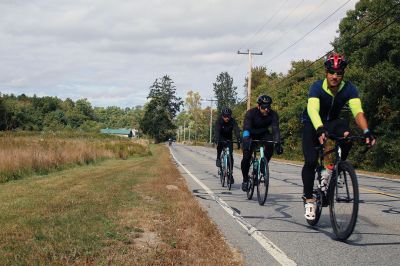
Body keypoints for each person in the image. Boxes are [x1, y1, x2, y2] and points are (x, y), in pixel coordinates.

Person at [300, 53, 376, 220]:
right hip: (312, 123)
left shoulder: (349, 88)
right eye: (332, 72)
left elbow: (358, 112)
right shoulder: (317, 87)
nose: (335, 76)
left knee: (347, 133)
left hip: (332, 122)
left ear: (343, 74)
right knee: (311, 161)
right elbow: (313, 109)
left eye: (339, 73)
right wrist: (319, 128)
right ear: (326, 72)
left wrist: (366, 131)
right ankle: (309, 199)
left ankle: (334, 169)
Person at [241, 95, 283, 192]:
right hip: (250, 135)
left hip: (263, 134)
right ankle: (245, 180)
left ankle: (263, 165)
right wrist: (246, 138)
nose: (266, 109)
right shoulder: (251, 113)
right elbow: (246, 127)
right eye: (264, 107)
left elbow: (275, 129)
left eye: (268, 107)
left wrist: (277, 142)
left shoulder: (273, 114)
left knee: (271, 144)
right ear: (258, 106)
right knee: (246, 157)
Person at [214, 107, 241, 184]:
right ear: (222, 116)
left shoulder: (232, 121)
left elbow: (236, 130)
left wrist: (239, 139)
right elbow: (217, 130)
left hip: (229, 138)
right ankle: (218, 158)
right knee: (220, 146)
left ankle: (230, 174)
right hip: (221, 137)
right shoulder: (219, 121)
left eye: (228, 116)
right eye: (225, 116)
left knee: (230, 156)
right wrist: (216, 138)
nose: (227, 118)